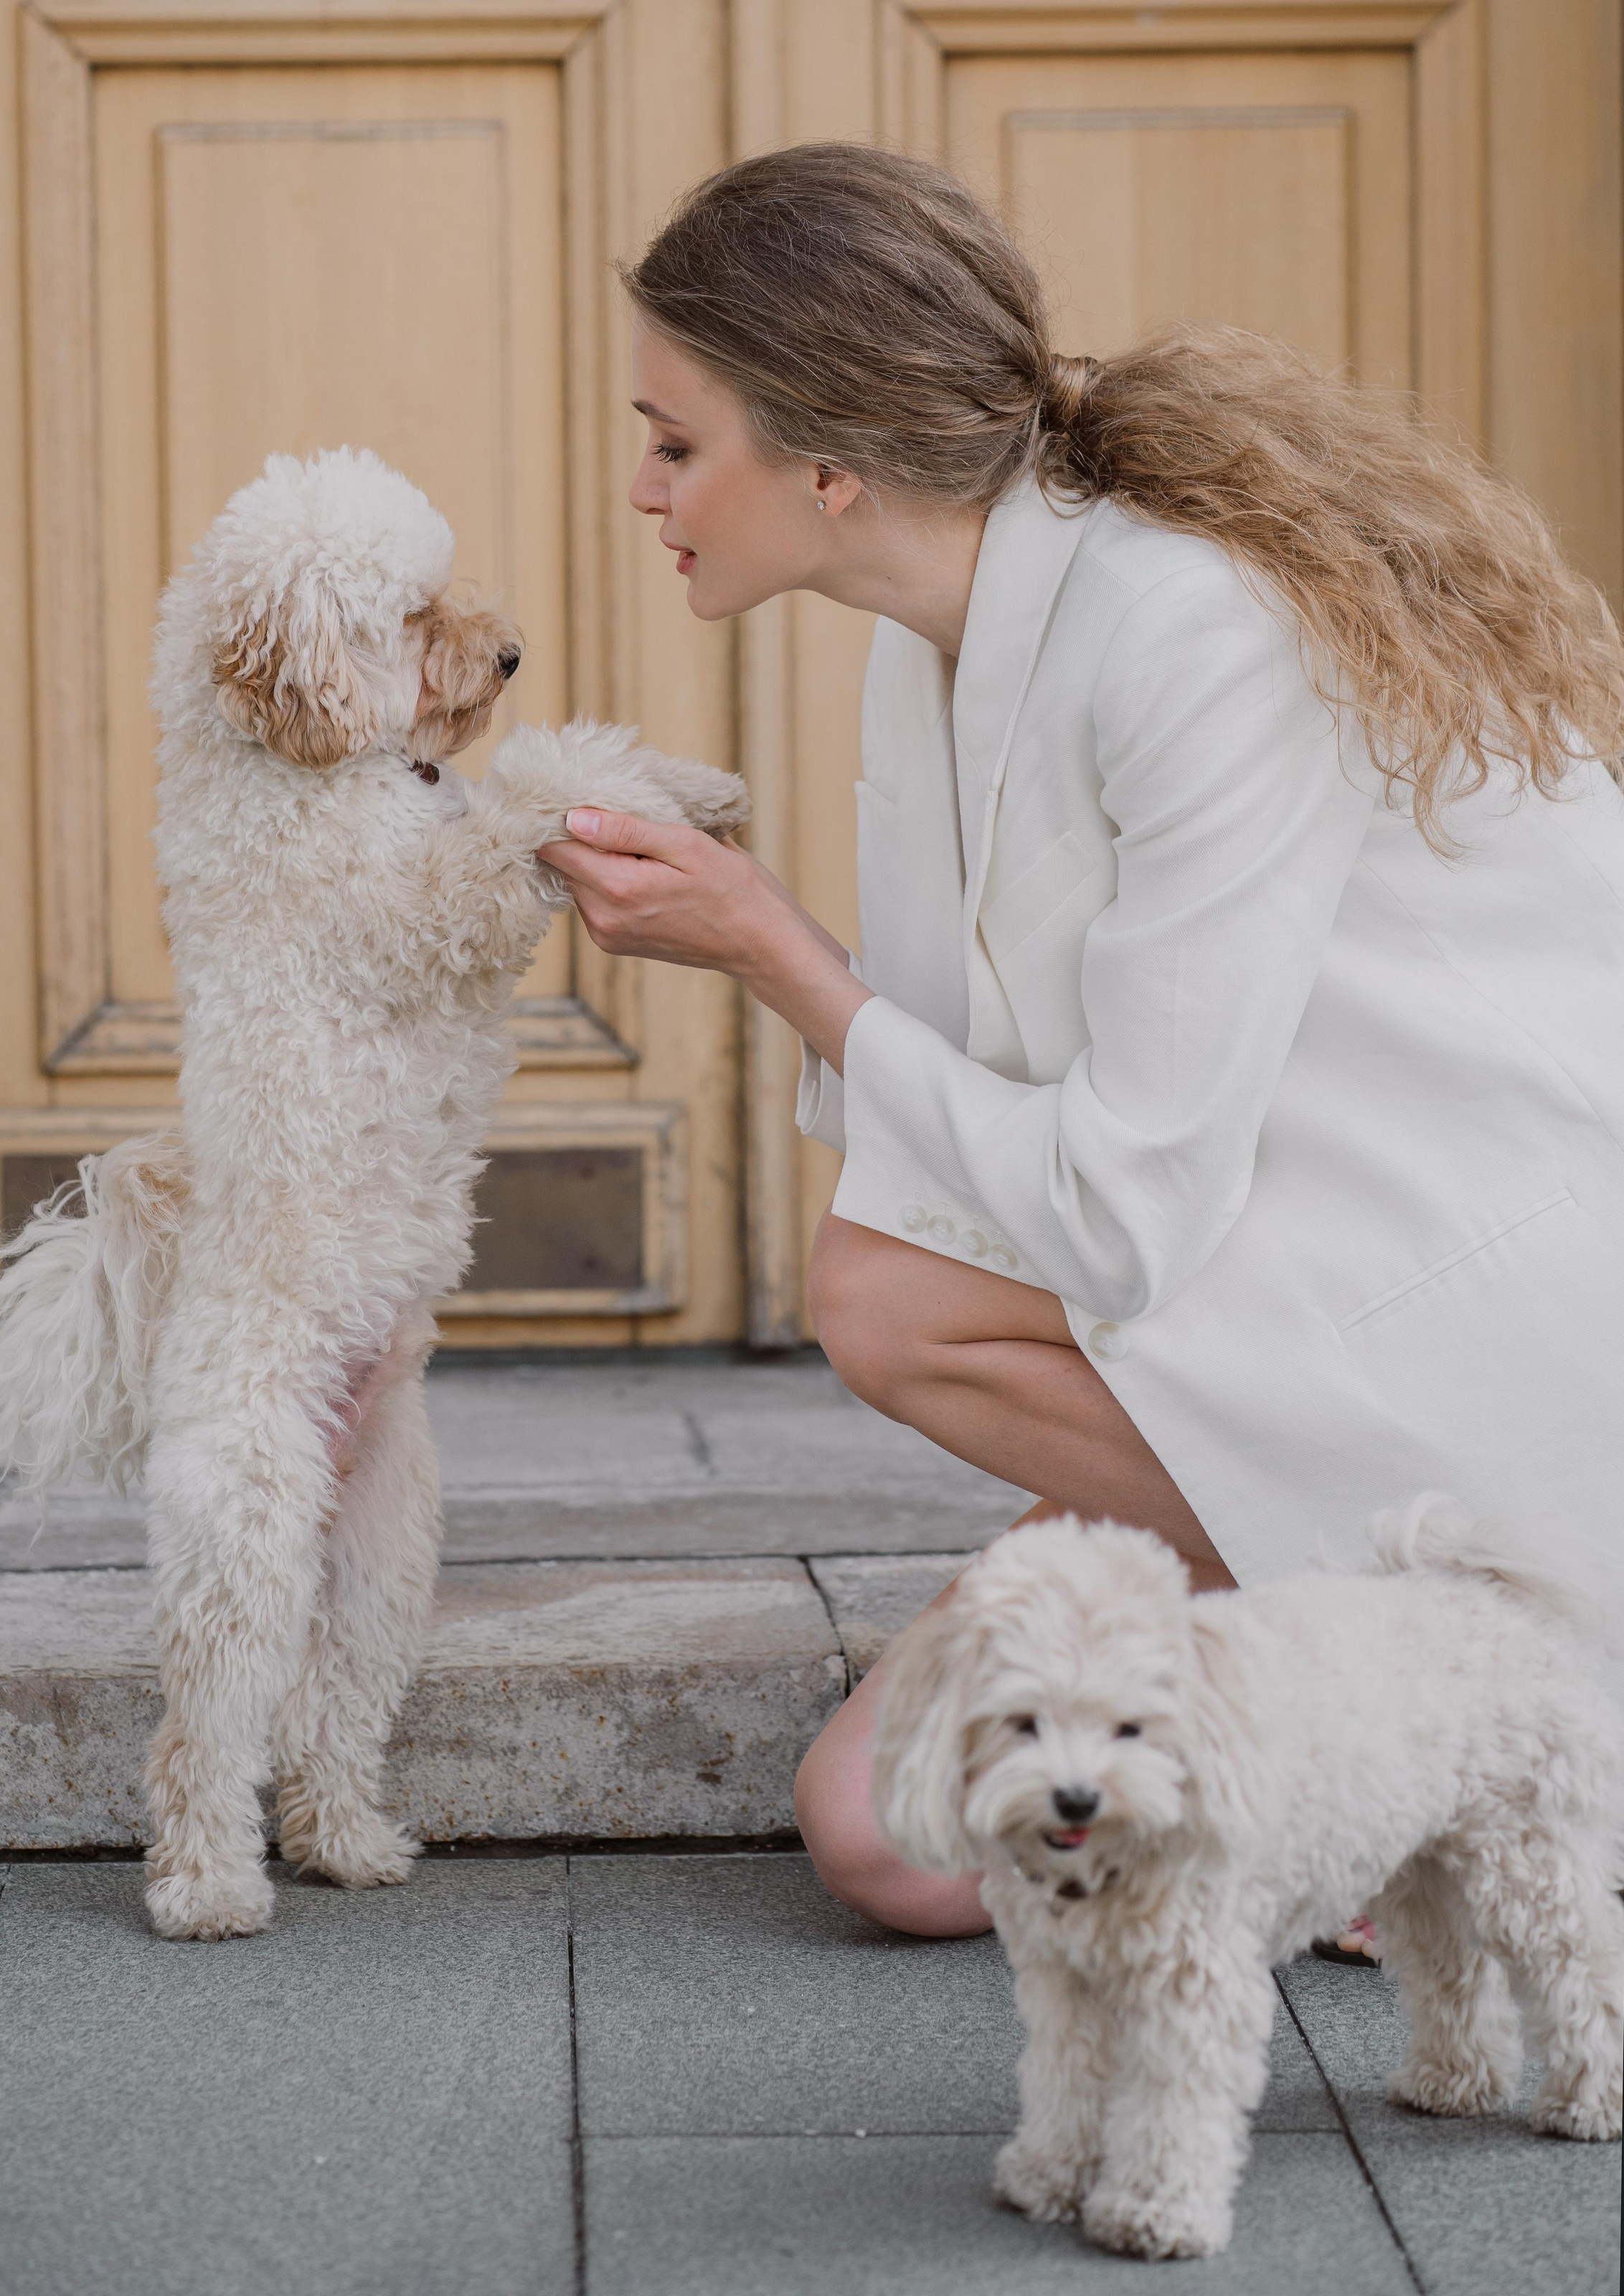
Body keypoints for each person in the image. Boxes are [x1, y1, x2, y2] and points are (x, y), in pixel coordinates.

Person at [537, 143, 1624, 1941]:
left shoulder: (1188, 629)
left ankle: (1492, 1662)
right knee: (884, 1834)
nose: (642, 487)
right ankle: (1347, 1700)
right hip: (1240, 1275)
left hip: (1454, 1301)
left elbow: (1109, 1215)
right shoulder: (929, 639)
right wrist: (757, 936)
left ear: (825, 463)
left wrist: (772, 952)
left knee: (883, 1295)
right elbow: (959, 1107)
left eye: (673, 441)